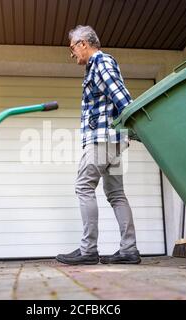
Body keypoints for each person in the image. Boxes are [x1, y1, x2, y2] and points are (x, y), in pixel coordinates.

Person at [56, 25, 141, 265]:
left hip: (102, 139)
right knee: (116, 193)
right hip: (113, 140)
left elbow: (121, 96)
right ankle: (129, 250)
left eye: (72, 48)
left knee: (84, 186)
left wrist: (137, 123)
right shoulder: (97, 65)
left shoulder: (101, 62)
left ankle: (88, 250)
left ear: (83, 43)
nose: (72, 54)